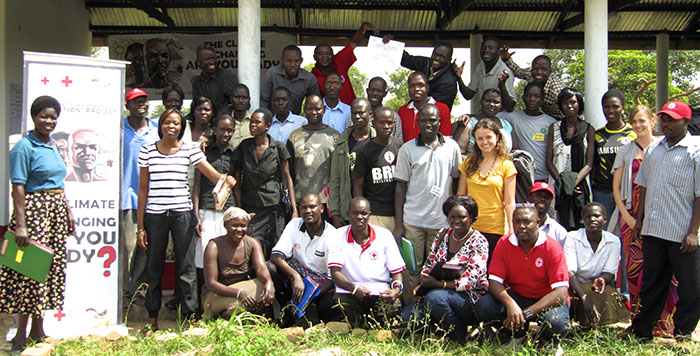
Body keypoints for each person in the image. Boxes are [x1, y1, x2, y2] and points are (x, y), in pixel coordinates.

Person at [136, 108, 236, 332]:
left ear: (182, 128)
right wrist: (140, 226)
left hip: (183, 215)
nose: (171, 127)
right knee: (154, 268)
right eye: (167, 123)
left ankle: (189, 319)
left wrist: (226, 179)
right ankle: (152, 319)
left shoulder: (190, 149)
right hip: (155, 216)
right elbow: (143, 190)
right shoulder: (147, 151)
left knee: (187, 268)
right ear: (160, 125)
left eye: (176, 124)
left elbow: (213, 175)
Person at [2, 96, 74, 352]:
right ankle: (20, 334)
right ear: (34, 117)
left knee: (49, 271)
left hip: (54, 214)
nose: (49, 121)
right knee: (30, 273)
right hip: (33, 214)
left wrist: (67, 213)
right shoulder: (24, 146)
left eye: (53, 117)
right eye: (44, 116)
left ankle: (38, 329)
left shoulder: (53, 144)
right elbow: (18, 187)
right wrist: (20, 225)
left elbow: (58, 184)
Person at [627, 101, 700, 342]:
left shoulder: (696, 150)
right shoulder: (654, 149)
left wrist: (693, 232)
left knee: (690, 287)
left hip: (682, 233)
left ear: (686, 122)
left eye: (672, 119)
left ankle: (683, 334)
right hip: (654, 229)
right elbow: (644, 185)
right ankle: (642, 331)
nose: (666, 124)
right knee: (652, 285)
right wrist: (639, 221)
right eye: (664, 119)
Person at [611, 105, 676, 335]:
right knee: (635, 272)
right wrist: (627, 216)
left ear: (651, 121)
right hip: (631, 216)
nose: (638, 125)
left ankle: (667, 324)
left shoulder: (663, 148)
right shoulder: (625, 150)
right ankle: (640, 322)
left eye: (642, 121)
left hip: (659, 216)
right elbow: (616, 189)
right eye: (634, 121)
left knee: (665, 270)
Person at [474, 205, 569, 351]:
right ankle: (517, 336)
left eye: (526, 222)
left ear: (537, 223)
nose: (521, 226)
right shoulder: (504, 243)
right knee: (484, 306)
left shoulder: (552, 247)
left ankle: (550, 342)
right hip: (518, 296)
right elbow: (494, 282)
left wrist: (527, 313)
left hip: (547, 299)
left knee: (556, 323)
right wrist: (511, 305)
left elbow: (561, 292)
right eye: (516, 222)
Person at [394, 104, 462, 303]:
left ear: (440, 122)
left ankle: (434, 310)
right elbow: (400, 187)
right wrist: (399, 224)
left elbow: (457, 178)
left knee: (437, 270)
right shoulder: (407, 149)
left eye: (433, 120)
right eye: (424, 120)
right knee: (412, 268)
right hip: (413, 220)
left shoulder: (452, 147)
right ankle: (410, 309)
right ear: (418, 122)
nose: (428, 124)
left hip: (441, 222)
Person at [402, 195, 489, 342]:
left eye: (461, 217)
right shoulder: (443, 235)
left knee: (436, 298)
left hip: (467, 298)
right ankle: (441, 327)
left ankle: (458, 334)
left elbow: (472, 281)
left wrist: (439, 285)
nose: (456, 221)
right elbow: (430, 264)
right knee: (409, 319)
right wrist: (423, 284)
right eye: (452, 217)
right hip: (436, 292)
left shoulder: (479, 242)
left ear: (472, 218)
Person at [327, 197, 405, 326]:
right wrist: (353, 288)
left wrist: (396, 290)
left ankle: (375, 325)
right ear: (348, 214)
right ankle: (357, 325)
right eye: (355, 213)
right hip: (351, 291)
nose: (359, 217)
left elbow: (397, 272)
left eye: (363, 213)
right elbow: (335, 274)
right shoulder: (337, 236)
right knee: (340, 301)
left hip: (380, 293)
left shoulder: (384, 235)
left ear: (370, 215)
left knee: (392, 307)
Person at [233, 108, 298, 259]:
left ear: (267, 126)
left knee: (275, 247)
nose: (252, 125)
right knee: (252, 247)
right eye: (251, 122)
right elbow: (236, 179)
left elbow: (288, 179)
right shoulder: (244, 147)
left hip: (273, 209)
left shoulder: (278, 148)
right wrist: (239, 208)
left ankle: (275, 281)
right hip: (251, 208)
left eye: (257, 122)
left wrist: (294, 210)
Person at [268, 193, 337, 324]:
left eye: (312, 207)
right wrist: (295, 276)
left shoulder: (332, 235)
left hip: (321, 284)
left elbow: (332, 278)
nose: (308, 211)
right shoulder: (294, 225)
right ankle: (286, 315)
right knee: (270, 268)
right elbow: (276, 256)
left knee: (328, 305)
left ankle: (316, 322)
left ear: (321, 208)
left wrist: (307, 297)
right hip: (298, 278)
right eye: (304, 208)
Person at [193, 114, 237, 311]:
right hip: (207, 210)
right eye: (222, 129)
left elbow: (237, 186)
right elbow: (197, 186)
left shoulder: (235, 155)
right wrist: (196, 215)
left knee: (224, 257)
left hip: (227, 211)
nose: (226, 133)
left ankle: (221, 304)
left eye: (230, 130)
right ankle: (201, 304)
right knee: (203, 256)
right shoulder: (204, 153)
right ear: (214, 130)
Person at [456, 119, 517, 259]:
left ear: (497, 137)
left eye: (488, 137)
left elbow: (510, 203)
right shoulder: (468, 163)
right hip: (471, 229)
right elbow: (460, 198)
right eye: (480, 138)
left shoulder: (506, 165)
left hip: (496, 229)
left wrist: (512, 232)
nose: (485, 142)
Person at [201, 207, 275, 319]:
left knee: (264, 288)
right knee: (239, 305)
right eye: (235, 226)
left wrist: (269, 283)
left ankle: (241, 315)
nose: (239, 229)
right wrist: (239, 293)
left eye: (243, 226)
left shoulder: (252, 243)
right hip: (217, 294)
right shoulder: (214, 246)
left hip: (242, 290)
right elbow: (211, 283)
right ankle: (221, 316)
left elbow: (261, 269)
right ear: (225, 225)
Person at [121, 88, 159, 305]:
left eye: (144, 101)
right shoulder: (119, 130)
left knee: (146, 248)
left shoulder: (155, 130)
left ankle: (138, 291)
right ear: (128, 106)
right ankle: (127, 291)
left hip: (153, 197)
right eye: (136, 102)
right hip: (128, 197)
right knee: (129, 247)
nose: (141, 105)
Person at [564, 203, 629, 326]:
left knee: (607, 294)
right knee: (587, 293)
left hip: (599, 286)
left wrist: (602, 280)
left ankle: (603, 327)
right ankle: (588, 325)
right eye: (588, 217)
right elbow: (570, 272)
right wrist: (583, 297)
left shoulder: (613, 241)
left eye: (597, 216)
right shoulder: (572, 237)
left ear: (604, 219)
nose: (592, 219)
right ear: (583, 220)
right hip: (576, 285)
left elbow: (610, 272)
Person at [546, 88, 594, 231]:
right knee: (558, 224)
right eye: (566, 103)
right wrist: (563, 183)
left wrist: (572, 184)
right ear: (561, 105)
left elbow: (589, 163)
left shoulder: (588, 129)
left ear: (579, 104)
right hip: (558, 183)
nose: (570, 106)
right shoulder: (554, 128)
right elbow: (549, 160)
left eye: (573, 102)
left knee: (580, 224)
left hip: (580, 185)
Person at [352, 107, 402, 231]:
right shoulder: (364, 151)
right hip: (375, 213)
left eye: (389, 123)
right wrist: (362, 212)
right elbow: (358, 185)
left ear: (394, 124)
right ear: (374, 123)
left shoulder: (400, 147)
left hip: (398, 213)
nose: (386, 126)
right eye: (382, 122)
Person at [329, 98, 375, 227]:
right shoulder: (342, 142)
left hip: (375, 210)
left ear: (370, 114)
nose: (357, 117)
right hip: (348, 209)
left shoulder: (377, 139)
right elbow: (335, 180)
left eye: (361, 113)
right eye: (354, 113)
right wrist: (335, 213)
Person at [592, 90, 636, 222]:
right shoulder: (597, 135)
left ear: (623, 108)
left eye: (615, 106)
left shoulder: (633, 133)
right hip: (602, 193)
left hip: (627, 193)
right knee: (604, 232)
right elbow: (593, 164)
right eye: (607, 107)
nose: (611, 110)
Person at [286, 95, 339, 206]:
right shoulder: (295, 136)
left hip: (326, 201)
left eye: (317, 109)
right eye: (310, 109)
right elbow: (288, 171)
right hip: (300, 199)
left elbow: (340, 170)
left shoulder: (334, 136)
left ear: (324, 110)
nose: (314, 112)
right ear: (304, 110)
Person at [500, 82, 557, 183]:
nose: (532, 99)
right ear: (523, 98)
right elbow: (489, 115)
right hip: (522, 177)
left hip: (544, 178)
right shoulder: (512, 117)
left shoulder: (551, 122)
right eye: (528, 95)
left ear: (542, 100)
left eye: (537, 96)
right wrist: (469, 116)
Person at [311, 22, 378, 105]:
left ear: (333, 55)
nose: (325, 56)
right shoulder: (311, 77)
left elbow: (354, 43)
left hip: (352, 112)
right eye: (320, 54)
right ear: (314, 57)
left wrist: (362, 29)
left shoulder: (339, 61)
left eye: (328, 53)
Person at [455, 36, 516, 112]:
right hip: (483, 115)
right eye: (483, 48)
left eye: (490, 48)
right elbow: (468, 95)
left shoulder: (505, 72)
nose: (486, 50)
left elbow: (510, 107)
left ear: (499, 52)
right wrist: (458, 78)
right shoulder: (480, 67)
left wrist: (502, 86)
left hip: (500, 118)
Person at [501, 50, 566, 120]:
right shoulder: (531, 74)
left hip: (563, 119)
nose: (539, 72)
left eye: (543, 69)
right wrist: (507, 59)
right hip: (547, 118)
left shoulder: (557, 91)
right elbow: (518, 71)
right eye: (535, 68)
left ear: (549, 71)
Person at [453, 88, 514, 158]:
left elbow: (514, 151)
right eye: (488, 101)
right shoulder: (467, 123)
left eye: (496, 102)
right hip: (474, 167)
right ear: (481, 102)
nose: (491, 104)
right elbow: (457, 154)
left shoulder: (506, 125)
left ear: (501, 105)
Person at [261, 45, 320, 115]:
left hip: (296, 120)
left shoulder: (309, 79)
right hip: (274, 120)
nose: (292, 65)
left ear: (301, 61)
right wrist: (267, 120)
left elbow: (315, 103)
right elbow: (264, 101)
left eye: (296, 61)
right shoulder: (272, 74)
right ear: (282, 61)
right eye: (289, 61)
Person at [399, 41, 459, 110]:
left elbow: (437, 107)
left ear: (449, 60)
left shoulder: (449, 82)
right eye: (435, 54)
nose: (436, 58)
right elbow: (407, 60)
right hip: (416, 110)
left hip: (432, 117)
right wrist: (389, 44)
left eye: (442, 57)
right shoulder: (426, 63)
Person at [397, 72, 452, 142]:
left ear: (427, 88)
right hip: (407, 152)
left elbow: (446, 139)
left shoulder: (442, 109)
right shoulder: (402, 111)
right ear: (408, 89)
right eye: (412, 86)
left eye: (421, 85)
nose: (416, 89)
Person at [192, 44, 239, 114]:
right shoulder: (197, 82)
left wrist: (221, 115)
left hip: (225, 121)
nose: (212, 61)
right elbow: (196, 105)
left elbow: (238, 102)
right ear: (199, 61)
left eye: (214, 58)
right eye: (207, 59)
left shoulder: (226, 76)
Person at [365, 77, 403, 141]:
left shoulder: (394, 117)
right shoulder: (356, 116)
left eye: (379, 91)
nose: (375, 93)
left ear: (385, 94)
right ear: (367, 91)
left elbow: (398, 144)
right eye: (372, 90)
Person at [228, 83, 253, 150]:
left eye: (244, 98)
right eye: (237, 97)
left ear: (249, 100)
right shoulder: (226, 121)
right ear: (231, 99)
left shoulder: (254, 121)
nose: (240, 101)